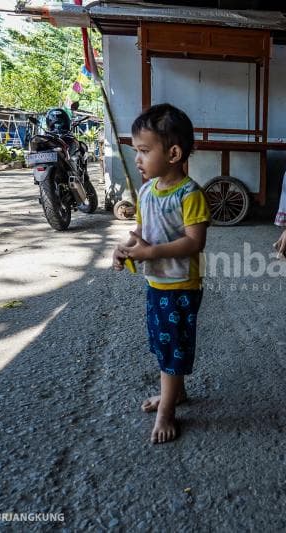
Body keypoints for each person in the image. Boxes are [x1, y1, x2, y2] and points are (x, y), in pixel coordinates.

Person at [112, 103, 211, 444]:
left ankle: (168, 410)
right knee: (164, 343)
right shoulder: (145, 191)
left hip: (181, 285)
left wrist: (150, 253)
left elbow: (194, 242)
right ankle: (176, 393)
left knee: (173, 347)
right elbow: (142, 230)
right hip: (157, 282)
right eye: (136, 151)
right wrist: (126, 248)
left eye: (143, 151)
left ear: (173, 152)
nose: (137, 159)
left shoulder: (190, 194)